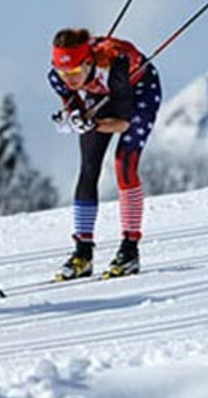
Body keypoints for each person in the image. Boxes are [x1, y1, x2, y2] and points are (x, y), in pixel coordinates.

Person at [48, 28, 161, 280]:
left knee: (124, 164)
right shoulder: (59, 77)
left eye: (75, 72)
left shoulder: (116, 71)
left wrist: (93, 124)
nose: (69, 80)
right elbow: (71, 101)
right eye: (63, 72)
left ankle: (129, 251)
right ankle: (82, 252)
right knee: (89, 167)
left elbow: (124, 123)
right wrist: (73, 116)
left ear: (88, 63)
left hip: (138, 91)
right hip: (100, 93)